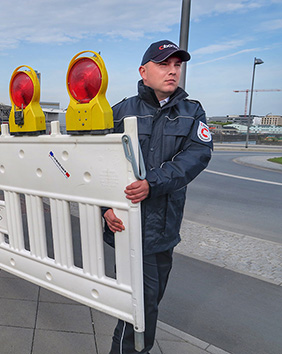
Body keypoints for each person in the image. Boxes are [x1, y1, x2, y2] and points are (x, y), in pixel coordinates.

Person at [103, 40, 213, 353]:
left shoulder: (192, 113)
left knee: (148, 301)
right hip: (126, 226)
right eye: (164, 64)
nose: (173, 71)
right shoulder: (120, 111)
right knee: (141, 304)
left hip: (163, 229)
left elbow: (198, 155)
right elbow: (95, 165)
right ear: (144, 71)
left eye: (177, 65)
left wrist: (152, 181)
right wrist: (104, 209)